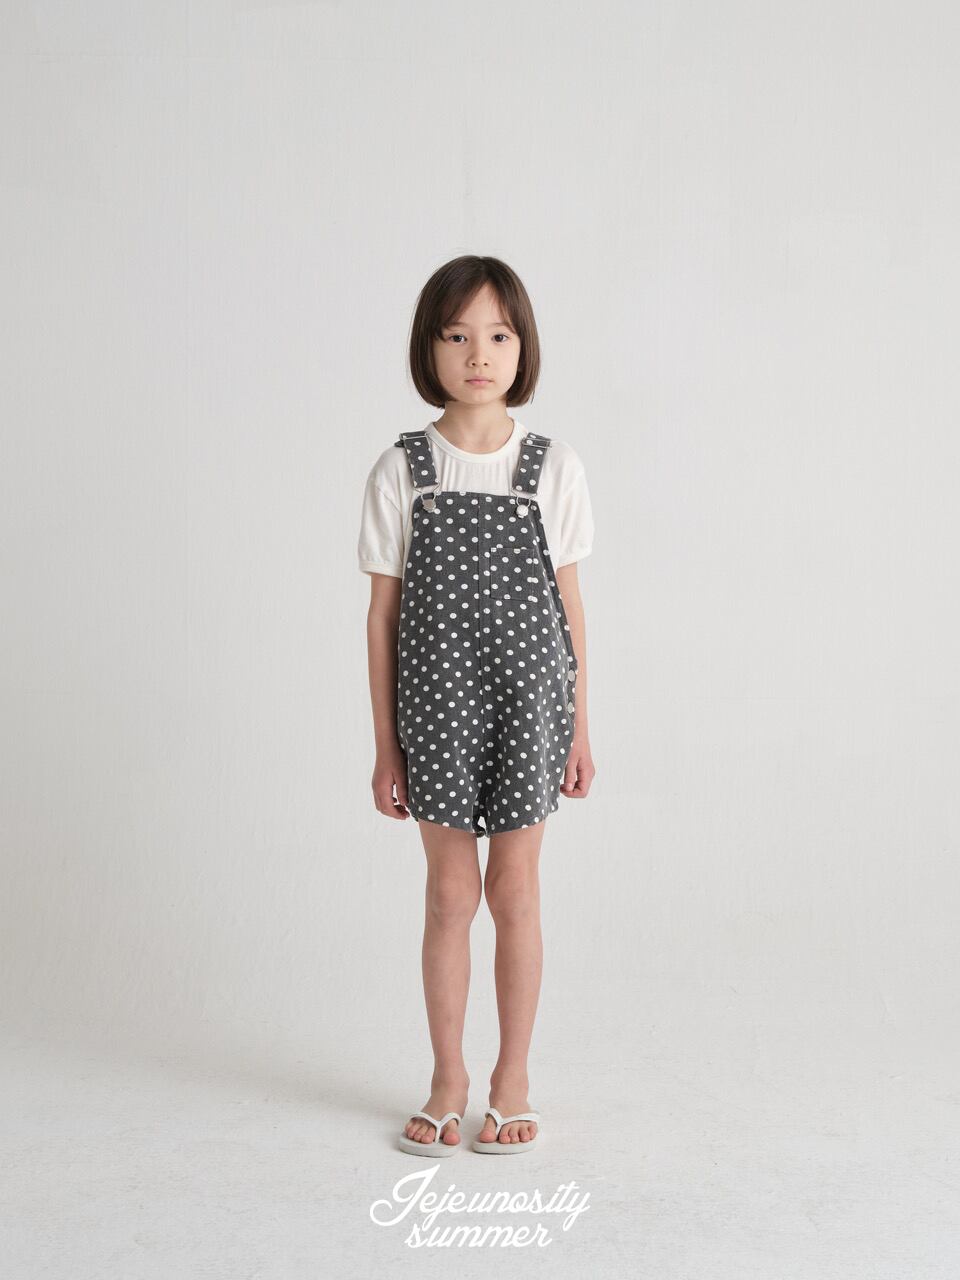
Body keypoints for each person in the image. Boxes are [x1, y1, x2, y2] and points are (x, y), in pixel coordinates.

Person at [357, 255, 596, 1156]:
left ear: (523, 346)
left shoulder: (551, 467)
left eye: (497, 335)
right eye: (456, 336)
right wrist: (386, 745)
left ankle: (513, 1080)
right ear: (429, 349)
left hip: (530, 707)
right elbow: (383, 615)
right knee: (451, 893)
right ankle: (447, 1078)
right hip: (435, 711)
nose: (478, 354)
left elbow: (570, 606)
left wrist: (579, 726)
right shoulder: (403, 469)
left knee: (516, 890)